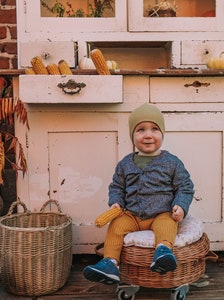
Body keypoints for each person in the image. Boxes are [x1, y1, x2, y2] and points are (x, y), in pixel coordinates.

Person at [83, 103, 194, 285]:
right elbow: (117, 186)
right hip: (132, 215)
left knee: (168, 224)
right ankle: (110, 263)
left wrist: (180, 205)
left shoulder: (172, 162)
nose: (148, 135)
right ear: (132, 136)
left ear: (162, 134)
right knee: (116, 226)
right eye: (141, 130)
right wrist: (116, 202)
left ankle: (163, 252)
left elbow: (185, 186)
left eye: (155, 129)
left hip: (161, 213)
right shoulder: (125, 163)